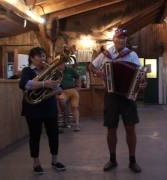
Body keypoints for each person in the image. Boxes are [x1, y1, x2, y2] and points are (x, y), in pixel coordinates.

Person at [89, 28, 146, 173]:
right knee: (111, 128)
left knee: (130, 128)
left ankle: (132, 160)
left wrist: (142, 82)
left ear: (126, 40)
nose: (121, 40)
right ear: (113, 39)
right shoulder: (106, 54)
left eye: (124, 38)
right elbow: (91, 66)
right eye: (119, 37)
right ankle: (112, 159)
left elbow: (139, 75)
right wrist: (98, 72)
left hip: (128, 97)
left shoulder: (132, 55)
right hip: (111, 95)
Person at [19, 47, 66, 174]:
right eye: (40, 56)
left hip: (49, 107)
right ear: (32, 58)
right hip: (33, 109)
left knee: (54, 134)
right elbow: (24, 84)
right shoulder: (27, 70)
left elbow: (60, 87)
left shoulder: (50, 70)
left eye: (44, 56)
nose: (43, 59)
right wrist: (45, 84)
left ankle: (55, 160)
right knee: (35, 136)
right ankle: (36, 162)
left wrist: (54, 89)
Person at [57, 63, 81, 132]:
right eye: (59, 64)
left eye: (61, 64)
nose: (60, 65)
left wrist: (78, 86)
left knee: (74, 107)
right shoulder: (56, 72)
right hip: (63, 91)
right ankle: (65, 120)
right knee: (61, 102)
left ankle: (77, 125)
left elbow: (78, 76)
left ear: (64, 64)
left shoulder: (70, 70)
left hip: (73, 90)